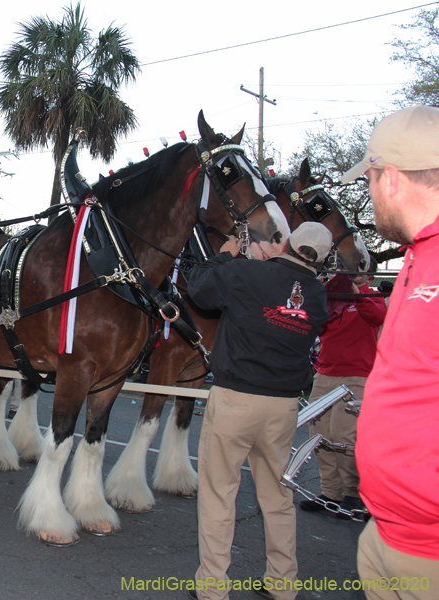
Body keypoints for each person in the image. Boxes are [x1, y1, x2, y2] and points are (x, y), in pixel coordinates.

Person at [187, 222, 331, 600]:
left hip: (237, 398)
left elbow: (198, 286)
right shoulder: (316, 296)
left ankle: (213, 587)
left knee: (219, 494)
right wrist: (264, 264)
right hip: (282, 406)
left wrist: (230, 254)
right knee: (277, 497)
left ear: (285, 242)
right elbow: (287, 290)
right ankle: (282, 582)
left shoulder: (248, 271)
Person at [339, 105, 439, 598]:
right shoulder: (418, 257)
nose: (369, 191)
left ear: (392, 179)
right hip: (385, 533)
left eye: (371, 179)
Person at [299, 254, 386, 519]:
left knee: (344, 436)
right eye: (346, 271)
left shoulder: (372, 297)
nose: (349, 275)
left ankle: (353, 494)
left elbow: (376, 316)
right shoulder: (334, 297)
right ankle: (330, 492)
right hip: (326, 373)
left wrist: (356, 290)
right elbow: (317, 327)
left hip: (357, 376)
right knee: (320, 434)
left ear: (369, 276)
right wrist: (324, 292)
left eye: (356, 272)